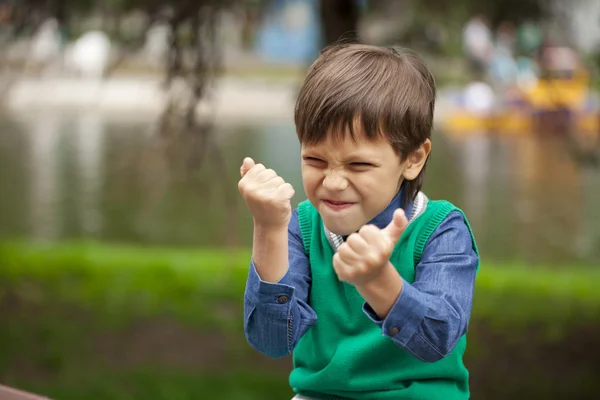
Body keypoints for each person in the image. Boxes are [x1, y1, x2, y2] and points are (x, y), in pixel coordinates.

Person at [238, 43, 480, 400]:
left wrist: (378, 281)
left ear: (413, 158)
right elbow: (272, 341)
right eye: (316, 160)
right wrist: (268, 228)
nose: (333, 182)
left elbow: (436, 340)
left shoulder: (441, 229)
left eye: (359, 165)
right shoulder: (303, 225)